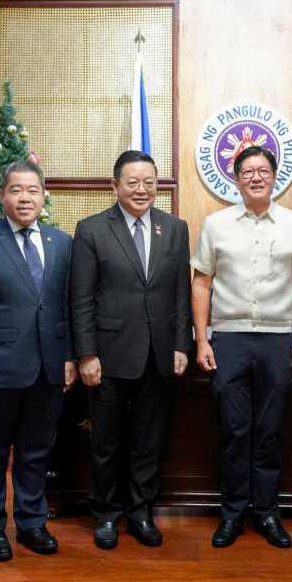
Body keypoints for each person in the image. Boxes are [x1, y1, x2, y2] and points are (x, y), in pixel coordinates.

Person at [191, 145, 292, 549]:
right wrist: (202, 338)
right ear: (236, 178)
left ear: (275, 177)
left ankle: (266, 512)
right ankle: (232, 514)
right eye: (248, 171)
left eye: (263, 171)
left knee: (270, 430)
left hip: (278, 339)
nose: (256, 177)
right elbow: (201, 283)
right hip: (229, 338)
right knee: (234, 429)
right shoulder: (216, 225)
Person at [71, 150, 193, 549]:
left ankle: (141, 511)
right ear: (115, 185)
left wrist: (181, 344)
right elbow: (81, 297)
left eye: (149, 182)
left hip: (158, 353)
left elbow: (180, 292)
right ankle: (106, 513)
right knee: (105, 442)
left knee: (148, 440)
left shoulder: (174, 228)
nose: (142, 190)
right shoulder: (91, 229)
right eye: (133, 182)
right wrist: (86, 353)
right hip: (107, 355)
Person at [0, 159, 76, 562]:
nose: (25, 198)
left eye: (32, 190)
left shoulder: (62, 243)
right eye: (16, 190)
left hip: (49, 366)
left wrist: (70, 356)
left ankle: (31, 522)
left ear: (44, 196)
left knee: (36, 450)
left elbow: (69, 306)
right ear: (3, 195)